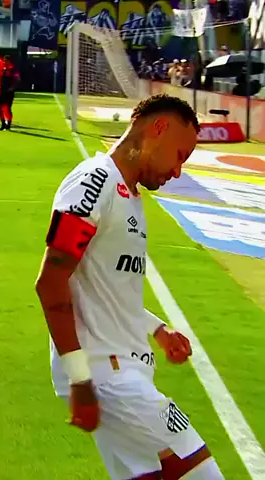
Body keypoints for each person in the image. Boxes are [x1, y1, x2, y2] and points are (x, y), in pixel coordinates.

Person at [35, 94, 225, 480]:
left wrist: (157, 328)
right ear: (159, 128)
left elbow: (107, 288)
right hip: (109, 377)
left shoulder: (130, 194)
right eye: (179, 156)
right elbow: (51, 282)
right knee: (203, 474)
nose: (177, 172)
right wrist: (80, 378)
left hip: (122, 372)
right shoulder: (95, 182)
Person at [0, 56, 20, 131]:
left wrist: (12, 88)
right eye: (4, 61)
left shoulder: (13, 70)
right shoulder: (3, 69)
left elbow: (17, 79)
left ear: (9, 61)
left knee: (7, 108)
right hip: (2, 91)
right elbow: (1, 78)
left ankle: (8, 124)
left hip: (9, 92)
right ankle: (3, 123)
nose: (4, 62)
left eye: (6, 61)